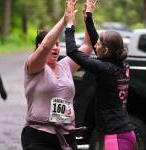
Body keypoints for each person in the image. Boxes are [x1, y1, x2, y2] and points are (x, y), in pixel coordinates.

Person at [65, 0, 137, 149]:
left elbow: (72, 51)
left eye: (99, 44)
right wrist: (88, 15)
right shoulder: (122, 65)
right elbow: (95, 39)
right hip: (127, 133)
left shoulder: (105, 69)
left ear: (106, 51)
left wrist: (69, 22)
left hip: (115, 135)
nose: (95, 45)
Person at [21, 0, 93, 150]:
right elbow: (46, 45)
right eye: (52, 44)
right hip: (38, 136)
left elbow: (87, 46)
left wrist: (88, 16)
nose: (55, 48)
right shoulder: (34, 66)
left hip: (66, 136)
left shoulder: (66, 65)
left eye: (58, 44)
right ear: (38, 47)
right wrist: (65, 19)